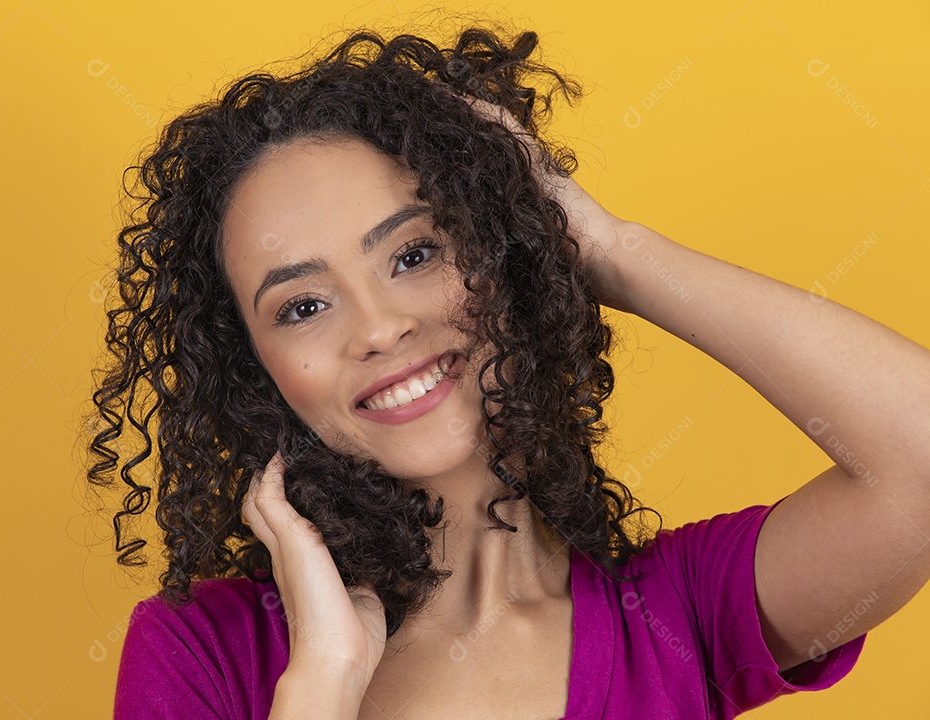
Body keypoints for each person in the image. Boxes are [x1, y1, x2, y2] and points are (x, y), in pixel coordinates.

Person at [84, 20, 930, 720]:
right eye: (303, 306)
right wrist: (323, 685)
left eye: (414, 253)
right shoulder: (204, 653)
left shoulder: (678, 617)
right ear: (253, 371)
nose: (380, 328)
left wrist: (606, 249)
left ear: (504, 259)